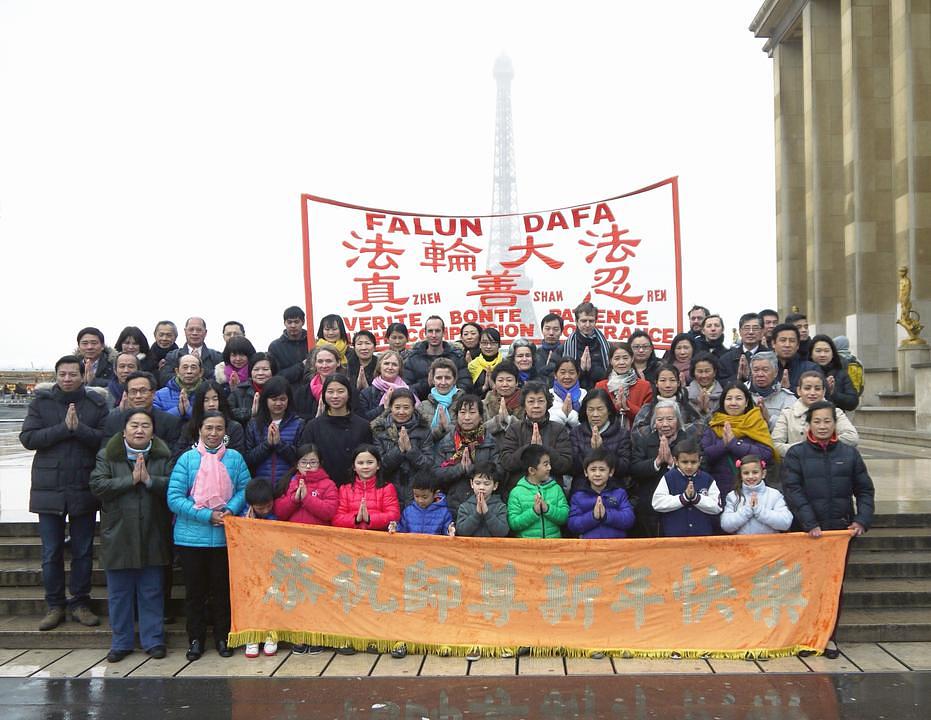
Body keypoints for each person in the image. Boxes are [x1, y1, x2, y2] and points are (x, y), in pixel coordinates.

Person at [20, 355, 109, 631]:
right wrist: (63, 429)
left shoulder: (96, 403)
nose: (68, 379)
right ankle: (54, 604)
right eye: (63, 374)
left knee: (83, 551)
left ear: (82, 375)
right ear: (56, 376)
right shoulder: (41, 403)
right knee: (51, 551)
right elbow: (28, 438)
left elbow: (104, 441)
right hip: (49, 488)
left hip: (83, 485)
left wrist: (79, 429)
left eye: (73, 374)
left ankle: (80, 602)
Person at [782, 400, 875, 659]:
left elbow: (864, 490)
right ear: (808, 424)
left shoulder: (849, 454)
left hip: (839, 534)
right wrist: (810, 523)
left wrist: (861, 520)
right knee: (805, 586)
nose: (822, 426)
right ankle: (804, 637)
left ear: (835, 424)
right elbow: (793, 491)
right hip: (807, 534)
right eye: (817, 421)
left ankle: (829, 637)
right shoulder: (796, 454)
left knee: (833, 587)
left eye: (827, 421)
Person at [167, 411, 251, 661]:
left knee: (222, 591)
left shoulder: (235, 459)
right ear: (199, 430)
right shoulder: (187, 460)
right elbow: (174, 498)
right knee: (195, 593)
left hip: (225, 535)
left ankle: (223, 637)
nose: (213, 433)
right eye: (208, 428)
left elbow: (245, 489)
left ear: (226, 432)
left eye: (218, 428)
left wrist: (230, 509)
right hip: (191, 538)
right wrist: (206, 516)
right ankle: (195, 639)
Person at [90, 409, 172, 663]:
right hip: (119, 534)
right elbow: (97, 485)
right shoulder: (108, 455)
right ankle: (121, 642)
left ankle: (153, 640)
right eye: (134, 425)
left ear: (152, 431)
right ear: (124, 430)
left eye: (145, 426)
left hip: (152, 532)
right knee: (119, 594)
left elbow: (174, 485)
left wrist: (149, 481)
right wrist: (130, 480)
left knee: (151, 591)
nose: (139, 430)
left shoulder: (163, 455)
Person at [630, 400, 696, 537]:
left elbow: (701, 469)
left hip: (682, 506)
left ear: (678, 421)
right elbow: (634, 469)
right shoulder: (644, 441)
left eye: (670, 419)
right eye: (660, 420)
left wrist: (673, 463)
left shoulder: (690, 442)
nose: (665, 424)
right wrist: (657, 461)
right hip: (650, 508)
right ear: (654, 422)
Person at [700, 383, 777, 499]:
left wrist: (735, 444)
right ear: (723, 402)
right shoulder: (714, 425)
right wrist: (724, 445)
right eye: (729, 399)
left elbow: (766, 453)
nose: (733, 403)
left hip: (753, 490)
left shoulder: (756, 423)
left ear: (746, 402)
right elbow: (704, 455)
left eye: (739, 398)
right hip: (719, 490)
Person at [498, 382, 574, 496]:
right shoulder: (514, 429)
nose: (536, 405)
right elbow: (506, 462)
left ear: (547, 404)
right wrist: (528, 449)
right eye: (531, 401)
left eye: (541, 401)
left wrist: (543, 450)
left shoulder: (558, 429)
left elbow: (566, 465)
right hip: (519, 492)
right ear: (524, 404)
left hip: (551, 492)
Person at [298, 375, 373, 487]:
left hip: (354, 488)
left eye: (340, 391)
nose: (335, 396)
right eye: (330, 392)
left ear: (349, 394)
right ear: (324, 395)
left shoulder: (363, 425)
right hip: (322, 488)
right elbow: (305, 458)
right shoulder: (313, 426)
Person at [433, 393, 499, 514]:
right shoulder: (447, 442)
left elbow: (499, 472)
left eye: (472, 412)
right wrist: (460, 469)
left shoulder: (490, 442)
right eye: (462, 412)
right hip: (452, 504)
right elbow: (436, 474)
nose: (467, 417)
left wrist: (471, 469)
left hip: (485, 504)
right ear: (456, 415)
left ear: (481, 417)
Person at [772, 371, 859, 457]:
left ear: (824, 391)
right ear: (799, 391)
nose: (812, 393)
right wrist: (805, 449)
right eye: (807, 388)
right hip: (798, 464)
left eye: (817, 389)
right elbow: (776, 445)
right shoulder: (787, 414)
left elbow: (852, 437)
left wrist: (822, 445)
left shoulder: (836, 412)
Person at [371, 388, 434, 507]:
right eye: (397, 407)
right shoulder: (380, 429)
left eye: (406, 407)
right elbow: (379, 466)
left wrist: (411, 450)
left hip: (416, 491)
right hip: (389, 490)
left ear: (413, 408)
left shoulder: (423, 429)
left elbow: (428, 464)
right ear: (390, 407)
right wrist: (398, 450)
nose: (401, 412)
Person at [239, 479, 280, 659]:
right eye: (260, 508)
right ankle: (252, 636)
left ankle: (271, 635)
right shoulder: (241, 517)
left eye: (268, 506)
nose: (264, 511)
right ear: (250, 505)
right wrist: (246, 524)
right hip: (249, 568)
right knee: (252, 600)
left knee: (271, 599)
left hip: (271, 567)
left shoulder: (275, 516)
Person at [244, 376, 305, 491]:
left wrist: (279, 444)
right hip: (261, 488)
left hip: (288, 487)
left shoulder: (298, 423)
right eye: (274, 399)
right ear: (265, 400)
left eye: (282, 399)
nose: (278, 403)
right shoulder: (254, 424)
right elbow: (248, 459)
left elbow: (299, 458)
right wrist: (267, 444)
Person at [651, 440, 721, 537]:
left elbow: (717, 507)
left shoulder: (707, 479)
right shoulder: (668, 478)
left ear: (700, 461)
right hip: (675, 537)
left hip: (702, 536)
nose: (689, 466)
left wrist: (697, 498)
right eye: (684, 462)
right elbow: (657, 503)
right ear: (676, 461)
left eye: (693, 462)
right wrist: (683, 498)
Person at [569, 388, 631, 495]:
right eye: (591, 409)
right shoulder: (576, 433)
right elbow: (571, 467)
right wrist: (592, 452)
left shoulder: (622, 434)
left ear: (609, 410)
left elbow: (624, 468)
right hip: (582, 490)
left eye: (600, 409)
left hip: (613, 490)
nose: (595, 414)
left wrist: (602, 450)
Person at [171, 381, 247, 464]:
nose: (211, 404)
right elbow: (177, 457)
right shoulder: (189, 427)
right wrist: (200, 445)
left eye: (215, 399)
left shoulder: (234, 427)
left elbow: (238, 460)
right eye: (206, 400)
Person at [567, 448, 635, 539]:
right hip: (589, 547)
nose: (597, 474)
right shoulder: (578, 496)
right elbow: (573, 525)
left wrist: (606, 515)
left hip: (616, 547)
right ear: (585, 472)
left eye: (602, 469)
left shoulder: (619, 493)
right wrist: (593, 517)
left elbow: (629, 520)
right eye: (593, 469)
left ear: (611, 472)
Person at [100, 371, 182, 447]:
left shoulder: (170, 422)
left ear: (153, 393)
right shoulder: (113, 420)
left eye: (143, 391)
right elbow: (105, 452)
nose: (138, 396)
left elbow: (172, 455)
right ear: (127, 395)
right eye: (133, 391)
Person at [507, 444, 569, 538]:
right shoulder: (516, 493)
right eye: (545, 464)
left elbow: (565, 516)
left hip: (553, 547)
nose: (549, 468)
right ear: (532, 470)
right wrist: (534, 512)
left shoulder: (556, 488)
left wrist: (547, 509)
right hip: (528, 548)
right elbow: (514, 523)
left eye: (549, 463)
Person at [720, 454, 792, 535]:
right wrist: (747, 511)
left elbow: (786, 522)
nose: (750, 476)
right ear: (741, 475)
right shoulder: (733, 496)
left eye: (755, 472)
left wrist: (760, 511)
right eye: (746, 473)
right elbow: (725, 525)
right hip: (742, 545)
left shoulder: (774, 495)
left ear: (763, 473)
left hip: (769, 545)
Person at [332, 445, 400, 530]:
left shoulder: (387, 488)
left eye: (370, 462)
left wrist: (369, 518)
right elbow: (336, 519)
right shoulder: (345, 489)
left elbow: (394, 515)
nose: (365, 466)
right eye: (360, 463)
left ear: (378, 465)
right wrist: (356, 519)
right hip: (351, 539)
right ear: (354, 467)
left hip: (378, 539)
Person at [403, 315, 470, 398]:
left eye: (437, 331)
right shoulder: (413, 359)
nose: (434, 335)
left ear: (443, 332)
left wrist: (450, 394)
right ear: (425, 333)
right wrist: (428, 384)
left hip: (453, 405)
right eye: (430, 331)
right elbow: (407, 388)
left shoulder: (457, 357)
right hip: (422, 407)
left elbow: (466, 383)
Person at [273, 444, 339, 526]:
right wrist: (294, 500)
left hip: (318, 534)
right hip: (292, 534)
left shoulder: (329, 485)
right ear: (297, 465)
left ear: (320, 464)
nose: (308, 466)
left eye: (313, 462)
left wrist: (307, 498)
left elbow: (329, 513)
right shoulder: (288, 481)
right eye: (303, 462)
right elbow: (279, 513)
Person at [596, 342, 653, 429]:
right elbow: (597, 415)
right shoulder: (601, 386)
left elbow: (648, 417)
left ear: (632, 359)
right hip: (607, 436)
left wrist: (627, 407)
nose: (621, 362)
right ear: (610, 361)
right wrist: (616, 408)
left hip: (636, 436)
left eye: (625, 358)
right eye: (617, 358)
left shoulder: (645, 386)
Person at [632, 364, 700, 435]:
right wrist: (658, 431)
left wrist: (677, 432)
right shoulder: (648, 408)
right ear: (656, 383)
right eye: (663, 380)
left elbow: (700, 426)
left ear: (678, 383)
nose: (668, 385)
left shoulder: (687, 407)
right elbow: (636, 432)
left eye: (672, 380)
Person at [159, 317, 222, 388]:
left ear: (205, 332)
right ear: (185, 331)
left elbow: (220, 379)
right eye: (191, 329)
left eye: (199, 330)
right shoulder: (173, 355)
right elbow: (164, 379)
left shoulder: (216, 356)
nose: (194, 333)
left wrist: (199, 365)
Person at [389, 472, 454, 536]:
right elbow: (402, 531)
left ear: (435, 494)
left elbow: (446, 533)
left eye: (424, 497)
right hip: (412, 545)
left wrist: (449, 531)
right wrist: (395, 528)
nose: (420, 500)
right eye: (416, 496)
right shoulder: (408, 511)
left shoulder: (444, 513)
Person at [562, 301, 610, 388]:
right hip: (575, 394)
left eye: (591, 321)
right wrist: (581, 369)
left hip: (599, 394)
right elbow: (563, 377)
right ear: (576, 321)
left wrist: (591, 369)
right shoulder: (566, 346)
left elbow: (610, 375)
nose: (587, 325)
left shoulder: (604, 344)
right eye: (584, 321)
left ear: (596, 321)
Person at [455, 462, 509, 538]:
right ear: (471, 484)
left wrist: (487, 513)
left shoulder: (500, 507)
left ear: (495, 486)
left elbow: (503, 532)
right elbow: (461, 532)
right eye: (477, 483)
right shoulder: (465, 507)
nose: (481, 487)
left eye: (486, 484)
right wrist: (477, 514)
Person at [746, 351, 796, 431]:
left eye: (765, 370)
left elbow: (793, 429)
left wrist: (769, 419)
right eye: (756, 370)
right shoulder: (741, 393)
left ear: (775, 372)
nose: (760, 374)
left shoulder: (788, 399)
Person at [809, 334, 859, 411]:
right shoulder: (804, 371)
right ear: (811, 354)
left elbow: (853, 402)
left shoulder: (841, 373)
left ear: (833, 354)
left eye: (827, 351)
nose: (823, 355)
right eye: (818, 351)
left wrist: (833, 394)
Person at [417, 357, 464, 440]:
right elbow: (420, 438)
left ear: (454, 379)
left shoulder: (464, 403)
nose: (443, 382)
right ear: (433, 380)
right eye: (439, 378)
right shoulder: (422, 407)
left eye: (447, 378)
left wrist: (447, 427)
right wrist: (439, 429)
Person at [292, 345, 342, 420]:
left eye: (329, 361)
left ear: (338, 363)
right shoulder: (302, 393)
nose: (324, 365)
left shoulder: (349, 390)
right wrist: (316, 421)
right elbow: (297, 421)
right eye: (320, 361)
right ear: (315, 364)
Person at [358, 350, 412, 421]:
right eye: (386, 363)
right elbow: (363, 420)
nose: (390, 367)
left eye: (394, 364)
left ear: (399, 369)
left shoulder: (408, 390)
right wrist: (383, 407)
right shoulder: (366, 394)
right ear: (379, 367)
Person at [228, 352, 278, 426]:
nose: (260, 373)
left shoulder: (280, 390)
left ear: (273, 371)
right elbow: (227, 412)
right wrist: (250, 413)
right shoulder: (239, 391)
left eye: (265, 369)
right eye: (256, 369)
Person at [717, 313, 765, 385]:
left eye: (755, 328)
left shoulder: (770, 357)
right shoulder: (726, 359)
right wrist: (738, 378)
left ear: (762, 332)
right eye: (746, 328)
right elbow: (721, 383)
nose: (751, 332)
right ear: (740, 332)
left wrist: (750, 377)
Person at [153, 354, 203, 420]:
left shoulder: (209, 394)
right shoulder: (159, 395)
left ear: (201, 372)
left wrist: (189, 410)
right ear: (177, 371)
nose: (189, 371)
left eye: (193, 367)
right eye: (185, 367)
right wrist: (178, 410)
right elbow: (155, 421)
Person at [268, 306, 309, 384]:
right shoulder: (275, 347)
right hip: (287, 391)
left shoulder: (313, 342)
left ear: (303, 322)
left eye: (296, 322)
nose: (293, 326)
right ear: (284, 323)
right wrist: (302, 366)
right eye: (289, 322)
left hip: (311, 390)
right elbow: (275, 376)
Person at [482, 362, 523, 441]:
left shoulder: (526, 403)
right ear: (494, 383)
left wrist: (510, 420)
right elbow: (479, 431)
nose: (505, 384)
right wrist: (497, 421)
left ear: (517, 382)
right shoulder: (484, 404)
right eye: (500, 380)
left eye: (509, 380)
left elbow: (527, 431)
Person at [771, 323, 819, 391]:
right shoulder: (765, 369)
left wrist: (789, 389)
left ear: (798, 345)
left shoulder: (811, 369)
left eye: (792, 341)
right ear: (773, 343)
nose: (787, 345)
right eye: (783, 340)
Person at [548, 357, 587, 428]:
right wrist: (562, 414)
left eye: (571, 373)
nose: (567, 376)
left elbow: (587, 424)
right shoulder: (548, 395)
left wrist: (572, 416)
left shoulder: (584, 395)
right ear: (555, 375)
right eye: (562, 372)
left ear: (578, 375)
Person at [686, 352, 723, 422]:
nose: (704, 376)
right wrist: (698, 409)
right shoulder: (685, 393)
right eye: (700, 371)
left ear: (714, 372)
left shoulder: (724, 395)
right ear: (693, 372)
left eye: (707, 371)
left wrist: (706, 410)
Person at [467, 327, 503, 397]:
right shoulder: (472, 365)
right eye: (485, 343)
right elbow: (468, 391)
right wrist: (484, 388)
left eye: (492, 343)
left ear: (499, 345)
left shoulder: (505, 364)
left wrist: (495, 387)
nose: (488, 346)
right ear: (480, 345)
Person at [535, 313, 565, 381]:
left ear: (561, 332)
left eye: (555, 329)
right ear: (542, 330)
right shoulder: (535, 354)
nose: (551, 333)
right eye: (547, 329)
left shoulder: (566, 352)